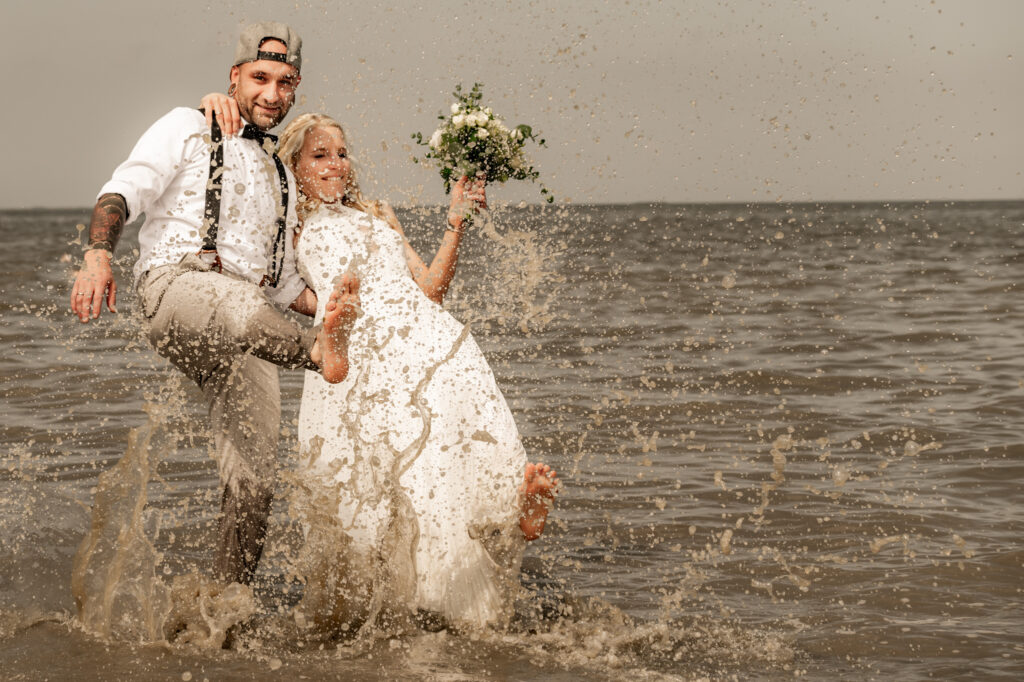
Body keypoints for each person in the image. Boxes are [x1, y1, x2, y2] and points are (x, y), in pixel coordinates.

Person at [202, 100, 561, 630]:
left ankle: (513, 522)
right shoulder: (288, 227)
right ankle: (402, 605)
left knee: (451, 459)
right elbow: (269, 283)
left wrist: (455, 219)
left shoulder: (379, 214)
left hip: (430, 341)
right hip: (358, 352)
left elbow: (433, 288)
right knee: (389, 483)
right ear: (295, 166)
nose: (335, 164)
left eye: (342, 153)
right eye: (319, 155)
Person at [70, 22, 358, 588]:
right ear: (234, 77)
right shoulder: (187, 126)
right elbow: (122, 191)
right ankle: (320, 353)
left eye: (284, 82)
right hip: (175, 290)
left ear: (295, 87)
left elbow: (279, 288)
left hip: (247, 323)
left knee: (255, 482)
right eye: (259, 78)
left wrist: (347, 310)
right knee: (240, 309)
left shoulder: (281, 173)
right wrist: (97, 255)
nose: (271, 94)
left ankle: (227, 610)